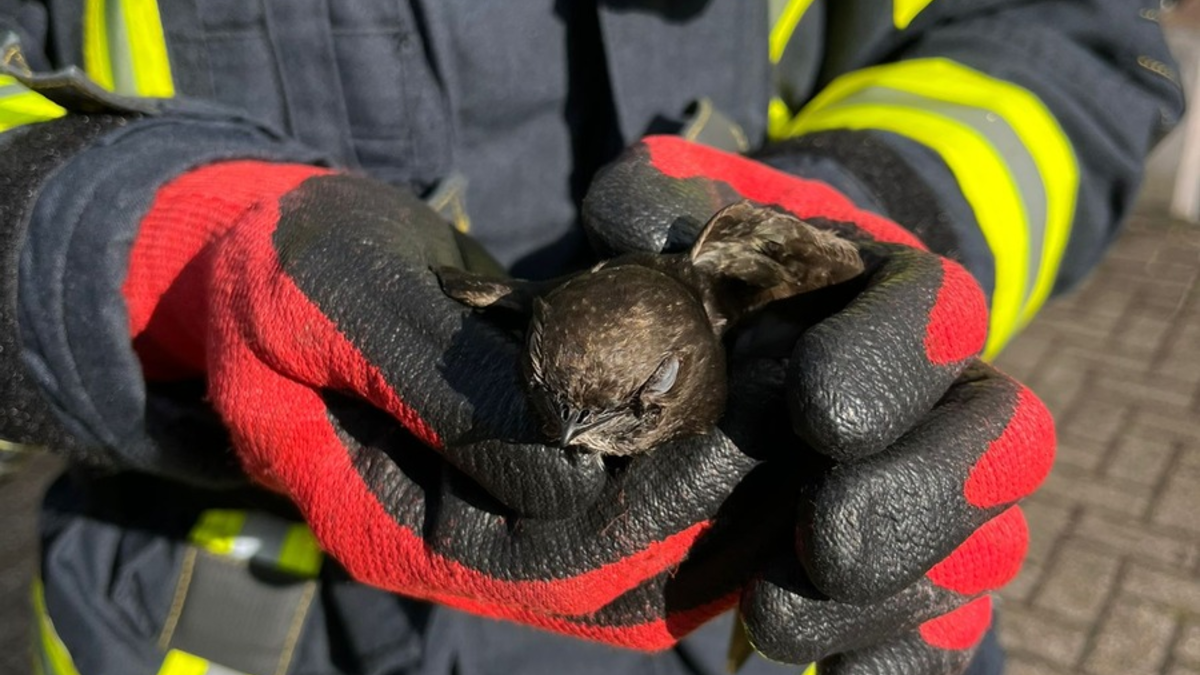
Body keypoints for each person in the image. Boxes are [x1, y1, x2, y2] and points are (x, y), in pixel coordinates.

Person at [0, 2, 1179, 675]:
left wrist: (868, 229)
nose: (577, 446)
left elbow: (1064, 34)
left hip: (755, 611)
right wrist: (151, 249)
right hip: (225, 619)